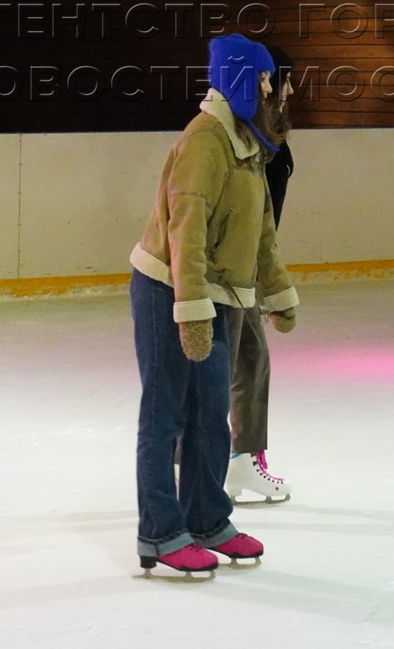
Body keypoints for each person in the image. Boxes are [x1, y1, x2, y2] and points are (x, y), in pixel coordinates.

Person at [130, 33, 300, 575]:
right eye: (269, 85)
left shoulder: (248, 142)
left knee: (210, 411)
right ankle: (159, 531)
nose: (278, 97)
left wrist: (277, 290)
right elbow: (187, 234)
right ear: (244, 82)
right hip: (170, 288)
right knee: (167, 413)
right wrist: (192, 309)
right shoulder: (205, 142)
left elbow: (262, 230)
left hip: (216, 294)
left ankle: (206, 518)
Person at [225, 43, 296, 504]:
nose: (288, 89)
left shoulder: (264, 139)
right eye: (279, 78)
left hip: (244, 268)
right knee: (239, 366)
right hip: (229, 273)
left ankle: (234, 460)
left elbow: (263, 221)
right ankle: (235, 460)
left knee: (242, 364)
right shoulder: (238, 141)